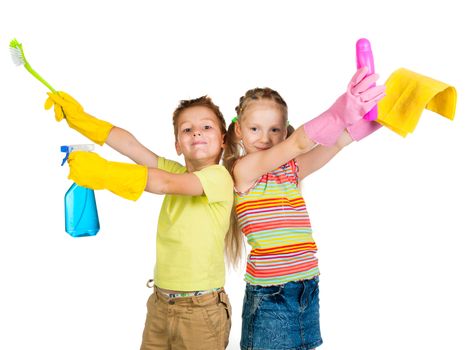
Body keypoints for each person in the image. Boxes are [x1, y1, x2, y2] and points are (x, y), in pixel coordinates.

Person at [45, 93, 234, 349]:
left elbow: (165, 183)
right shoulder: (175, 169)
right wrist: (82, 120)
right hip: (160, 303)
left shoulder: (219, 177)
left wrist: (104, 172)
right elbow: (131, 146)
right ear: (178, 144)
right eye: (187, 129)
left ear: (223, 140)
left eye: (206, 127)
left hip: (200, 311)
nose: (196, 133)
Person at [222, 67, 385, 350]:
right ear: (239, 130)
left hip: (306, 289)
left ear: (284, 130)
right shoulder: (243, 170)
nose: (265, 137)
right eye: (255, 129)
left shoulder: (291, 171)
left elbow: (339, 141)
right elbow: (299, 142)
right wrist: (341, 109)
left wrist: (386, 113)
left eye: (275, 130)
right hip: (271, 296)